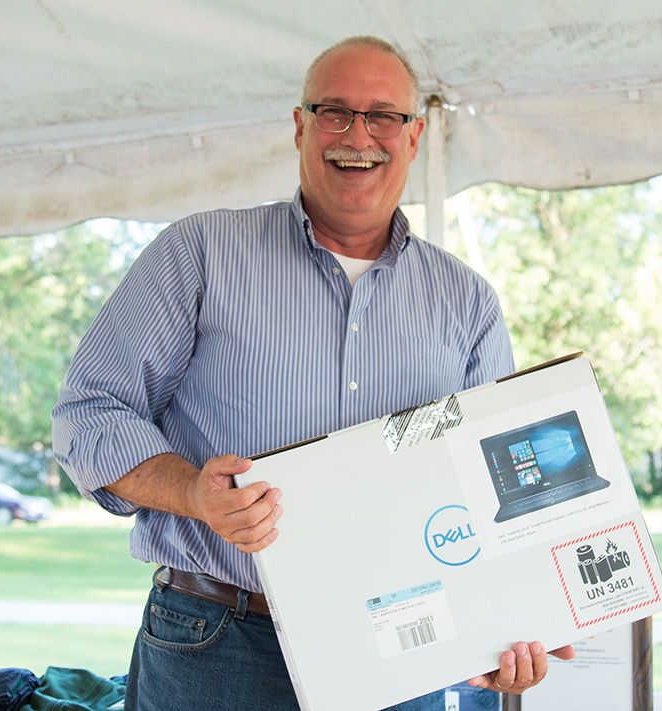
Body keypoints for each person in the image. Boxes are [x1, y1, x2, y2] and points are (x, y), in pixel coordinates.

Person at [52, 35, 574, 711]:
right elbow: (89, 412)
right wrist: (196, 492)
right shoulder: (200, 253)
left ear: (414, 138)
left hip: (405, 644)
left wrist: (509, 626)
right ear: (300, 127)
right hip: (222, 641)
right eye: (336, 111)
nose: (359, 135)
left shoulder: (467, 302)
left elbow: (494, 480)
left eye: (383, 115)